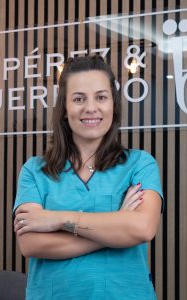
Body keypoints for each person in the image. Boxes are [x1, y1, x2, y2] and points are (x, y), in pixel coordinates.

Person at [13, 55, 163, 300]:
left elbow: (143, 228)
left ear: (113, 106)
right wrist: (116, 230)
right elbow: (31, 244)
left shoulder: (140, 164)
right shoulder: (34, 171)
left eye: (101, 97)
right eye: (79, 99)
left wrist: (59, 220)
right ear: (64, 109)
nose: (91, 108)